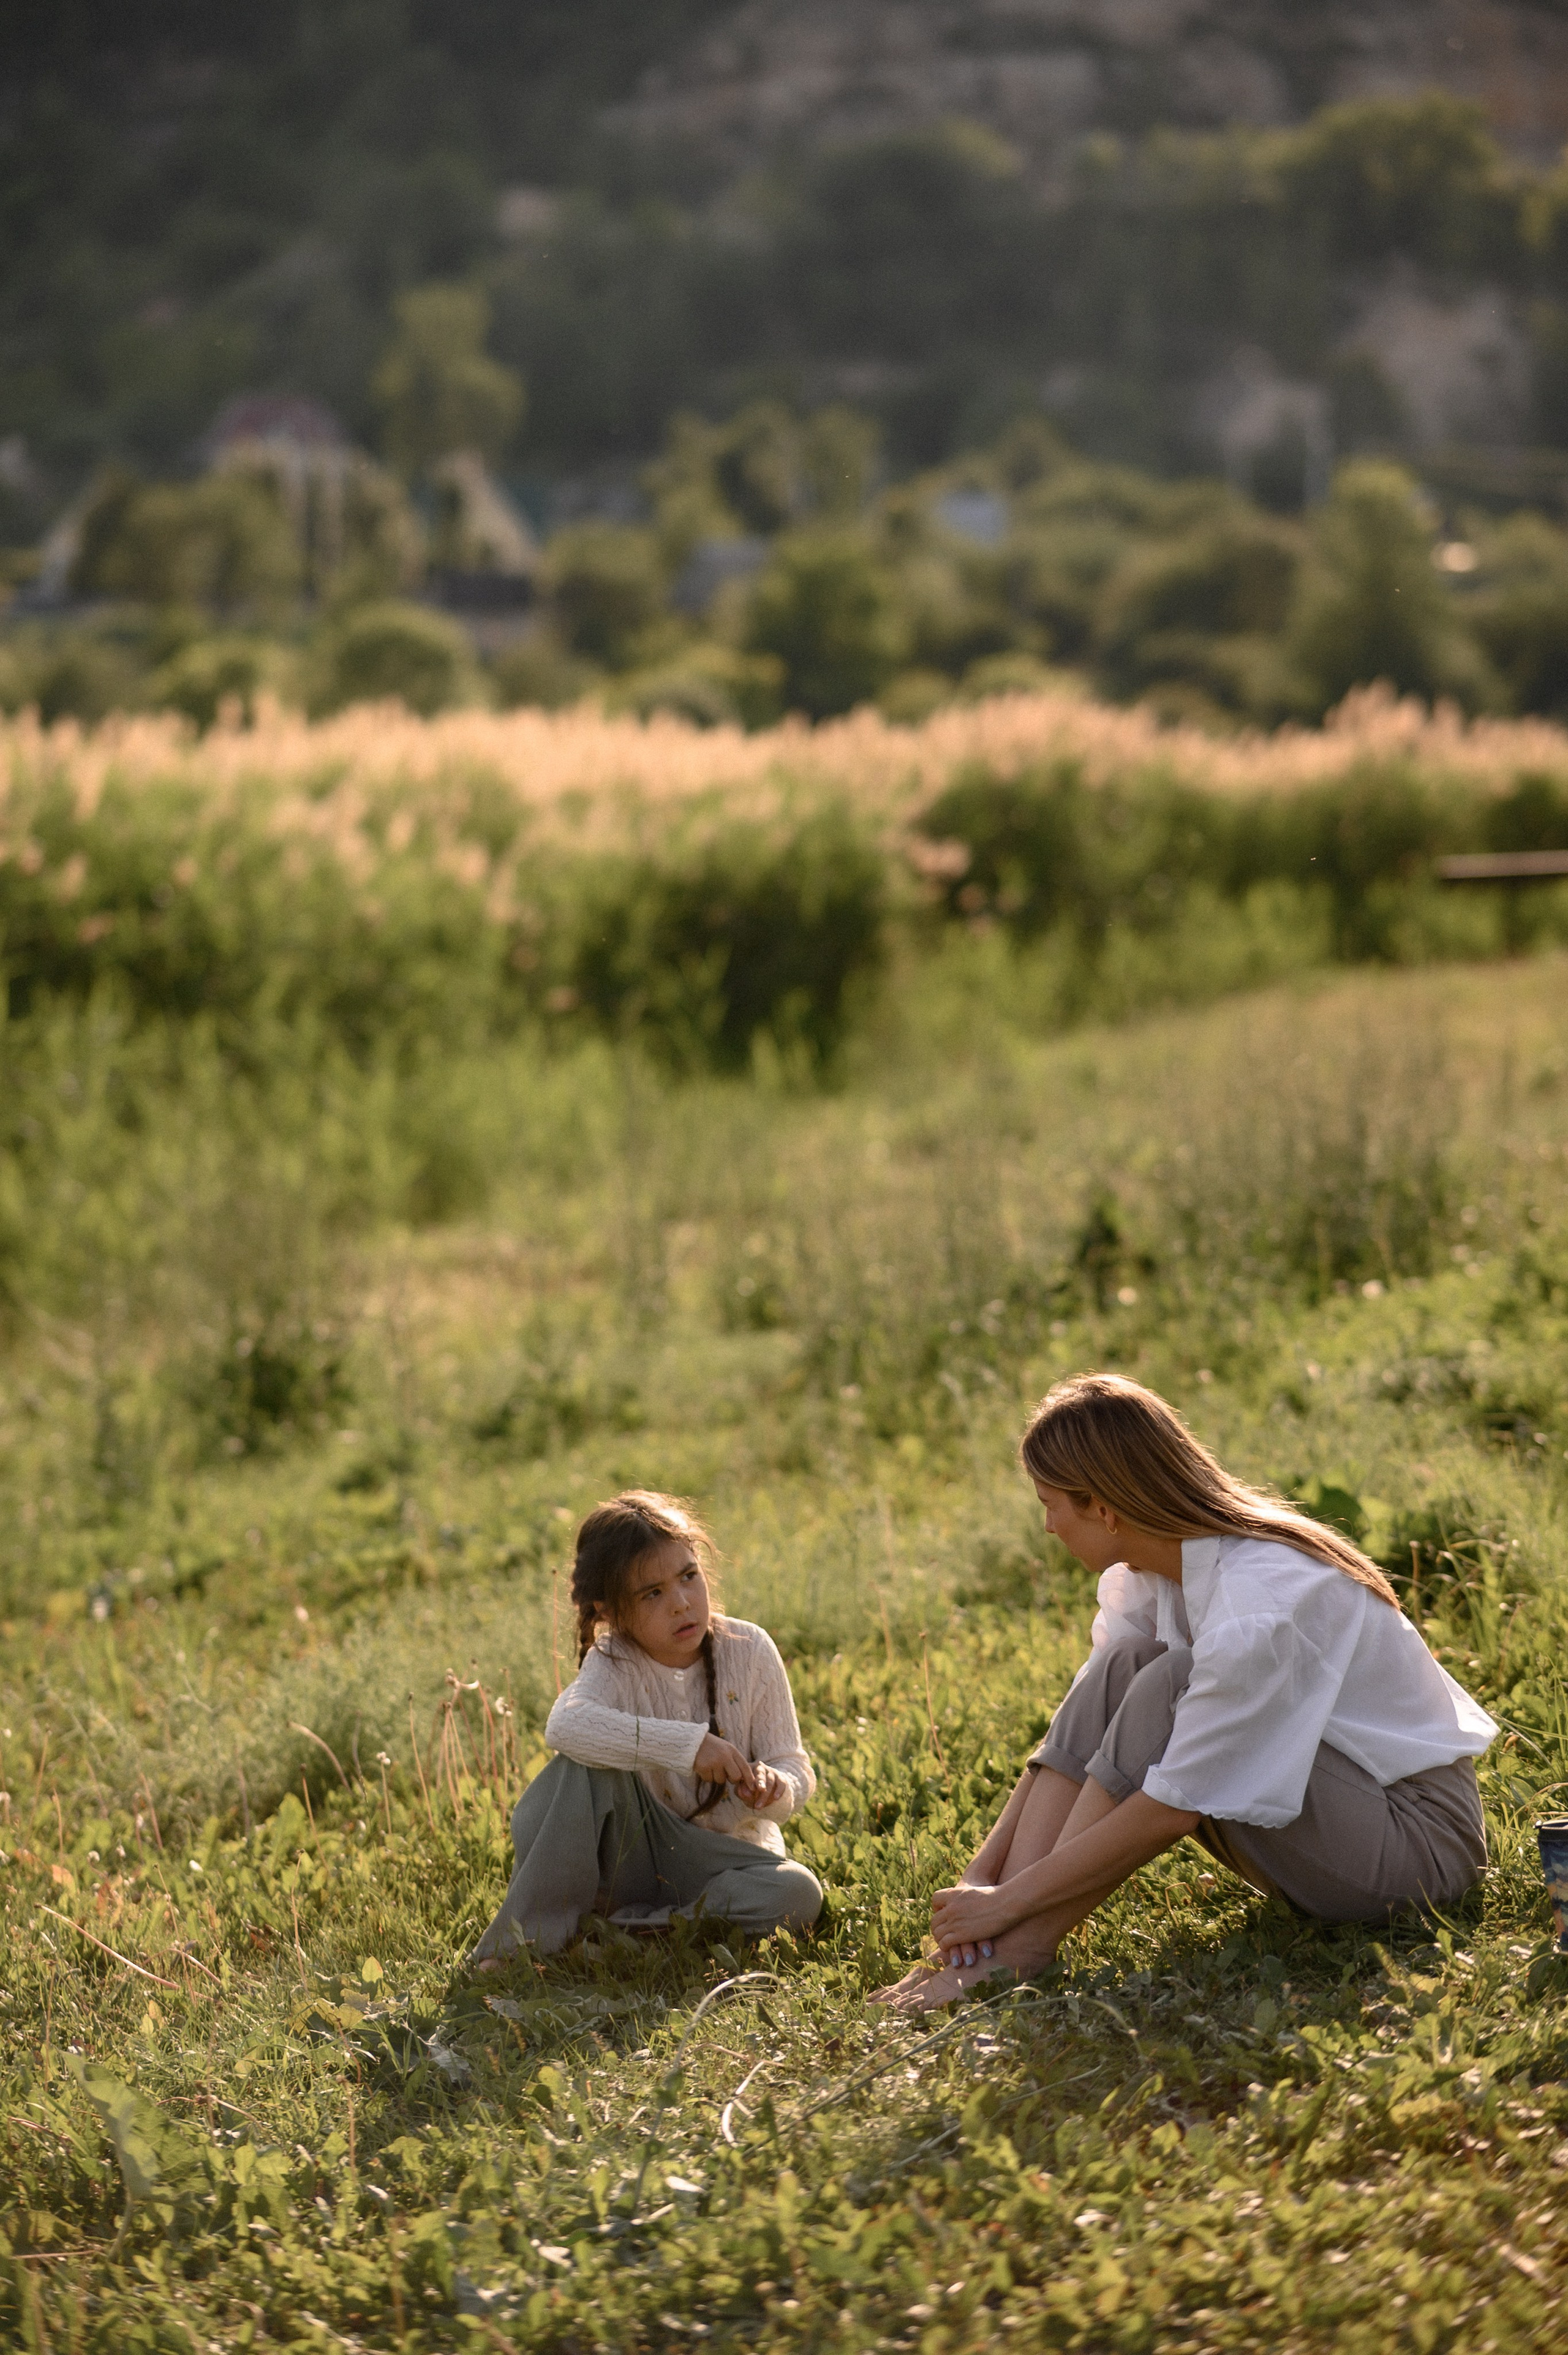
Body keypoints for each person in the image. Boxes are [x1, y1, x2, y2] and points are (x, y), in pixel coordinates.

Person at [873, 1373, 1496, 2013]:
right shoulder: (1155, 1571)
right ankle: (996, 1947)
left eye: (1050, 1503)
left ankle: (1021, 1945)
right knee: (1125, 1664)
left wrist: (1010, 1902)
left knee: (1171, 1682)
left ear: (1105, 1509)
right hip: (1335, 1821)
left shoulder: (1257, 1600)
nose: (1047, 1527)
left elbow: (1170, 1807)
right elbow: (1075, 1732)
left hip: (1416, 1849)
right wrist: (981, 1880)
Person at [472, 1490, 823, 1965]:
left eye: (688, 1577)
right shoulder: (615, 1661)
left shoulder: (750, 1649)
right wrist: (689, 1747)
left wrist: (777, 1786)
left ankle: (635, 1930)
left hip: (722, 1862)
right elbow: (566, 1724)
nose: (681, 1603)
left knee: (798, 1893)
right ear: (610, 1612)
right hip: (631, 1858)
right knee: (579, 1766)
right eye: (652, 1593)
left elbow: (793, 1764)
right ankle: (523, 1944)